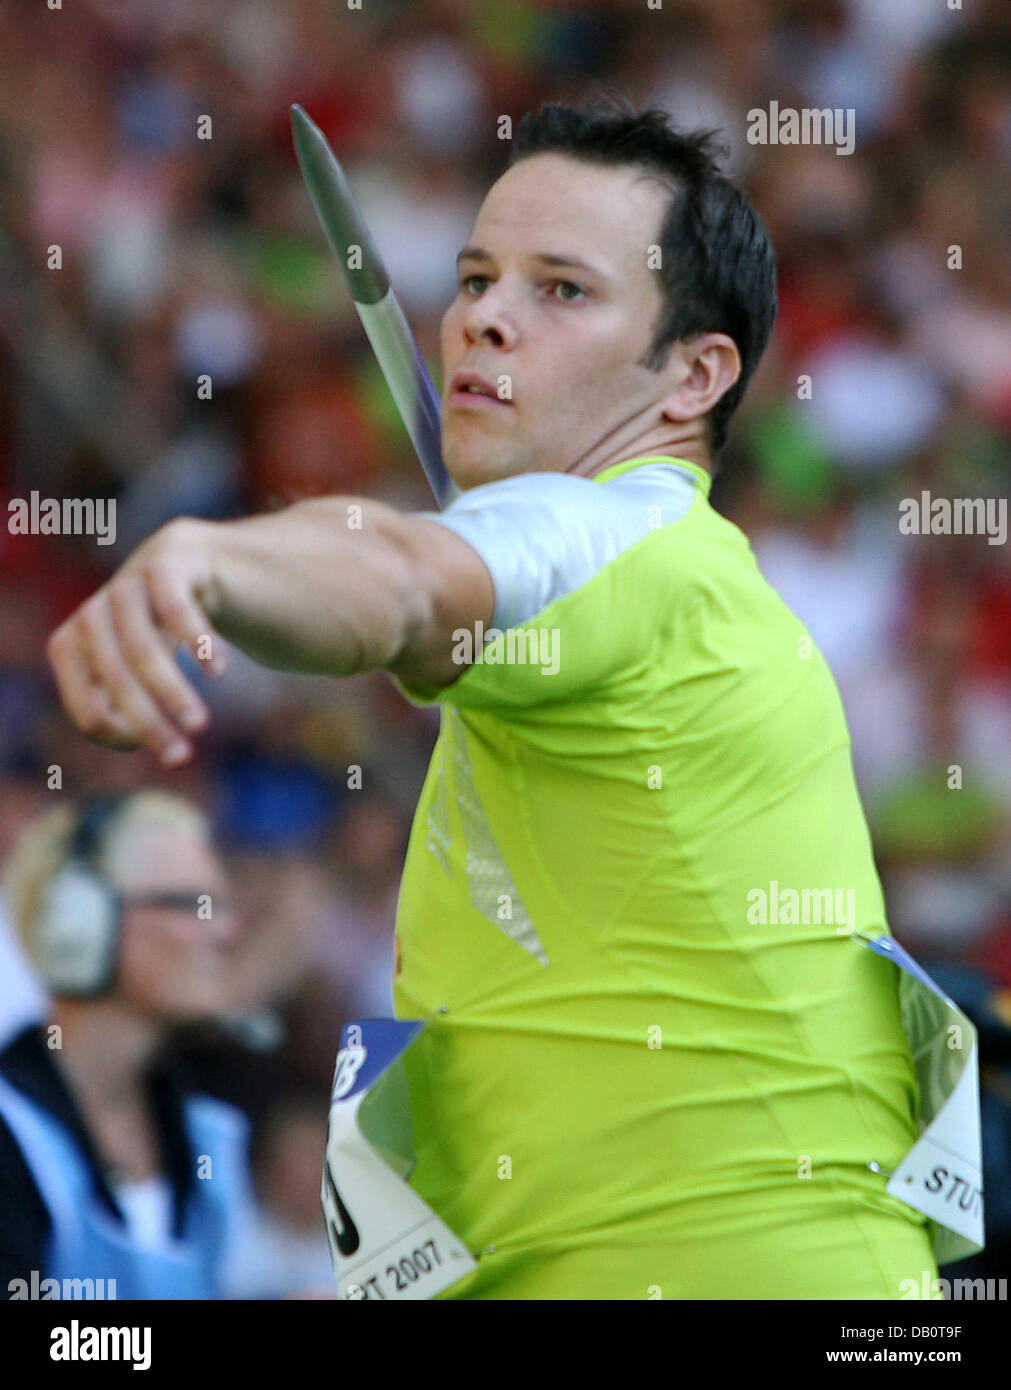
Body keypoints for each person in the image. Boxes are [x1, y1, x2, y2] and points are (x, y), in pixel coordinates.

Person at [46, 98, 952, 1297]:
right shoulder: (649, 585)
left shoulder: (624, 536)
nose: (484, 318)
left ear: (695, 375)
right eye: (476, 278)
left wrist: (212, 560)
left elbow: (402, 577)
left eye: (561, 290)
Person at [0, 790, 255, 1299]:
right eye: (190, 904)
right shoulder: (10, 1133)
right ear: (80, 921)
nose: (227, 931)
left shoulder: (209, 1136)